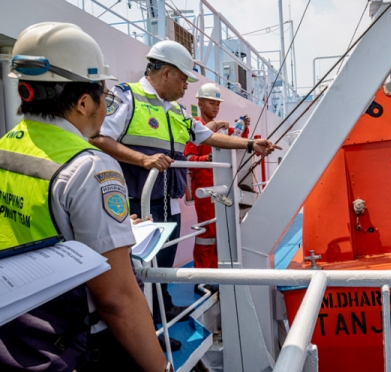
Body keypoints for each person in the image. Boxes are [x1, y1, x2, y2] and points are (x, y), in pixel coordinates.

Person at [0, 22, 169, 371]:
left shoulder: (6, 147)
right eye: (104, 98)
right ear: (81, 101)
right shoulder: (91, 167)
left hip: (17, 333)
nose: (105, 107)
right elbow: (116, 300)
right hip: (75, 343)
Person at [89, 40, 280, 322]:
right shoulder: (128, 97)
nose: (186, 86)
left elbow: (208, 137)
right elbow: (98, 137)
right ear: (166, 73)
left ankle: (162, 310)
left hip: (170, 201)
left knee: (164, 262)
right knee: (137, 269)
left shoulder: (178, 111)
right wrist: (143, 159)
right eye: (183, 79)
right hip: (135, 205)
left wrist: (251, 144)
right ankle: (143, 324)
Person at [184, 83, 250, 276]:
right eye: (212, 103)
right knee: (208, 233)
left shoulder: (221, 131)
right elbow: (188, 159)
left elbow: (236, 139)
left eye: (218, 104)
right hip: (205, 190)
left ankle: (217, 272)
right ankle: (203, 275)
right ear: (200, 102)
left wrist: (244, 129)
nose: (216, 107)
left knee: (221, 228)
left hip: (221, 188)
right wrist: (207, 159)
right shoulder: (195, 128)